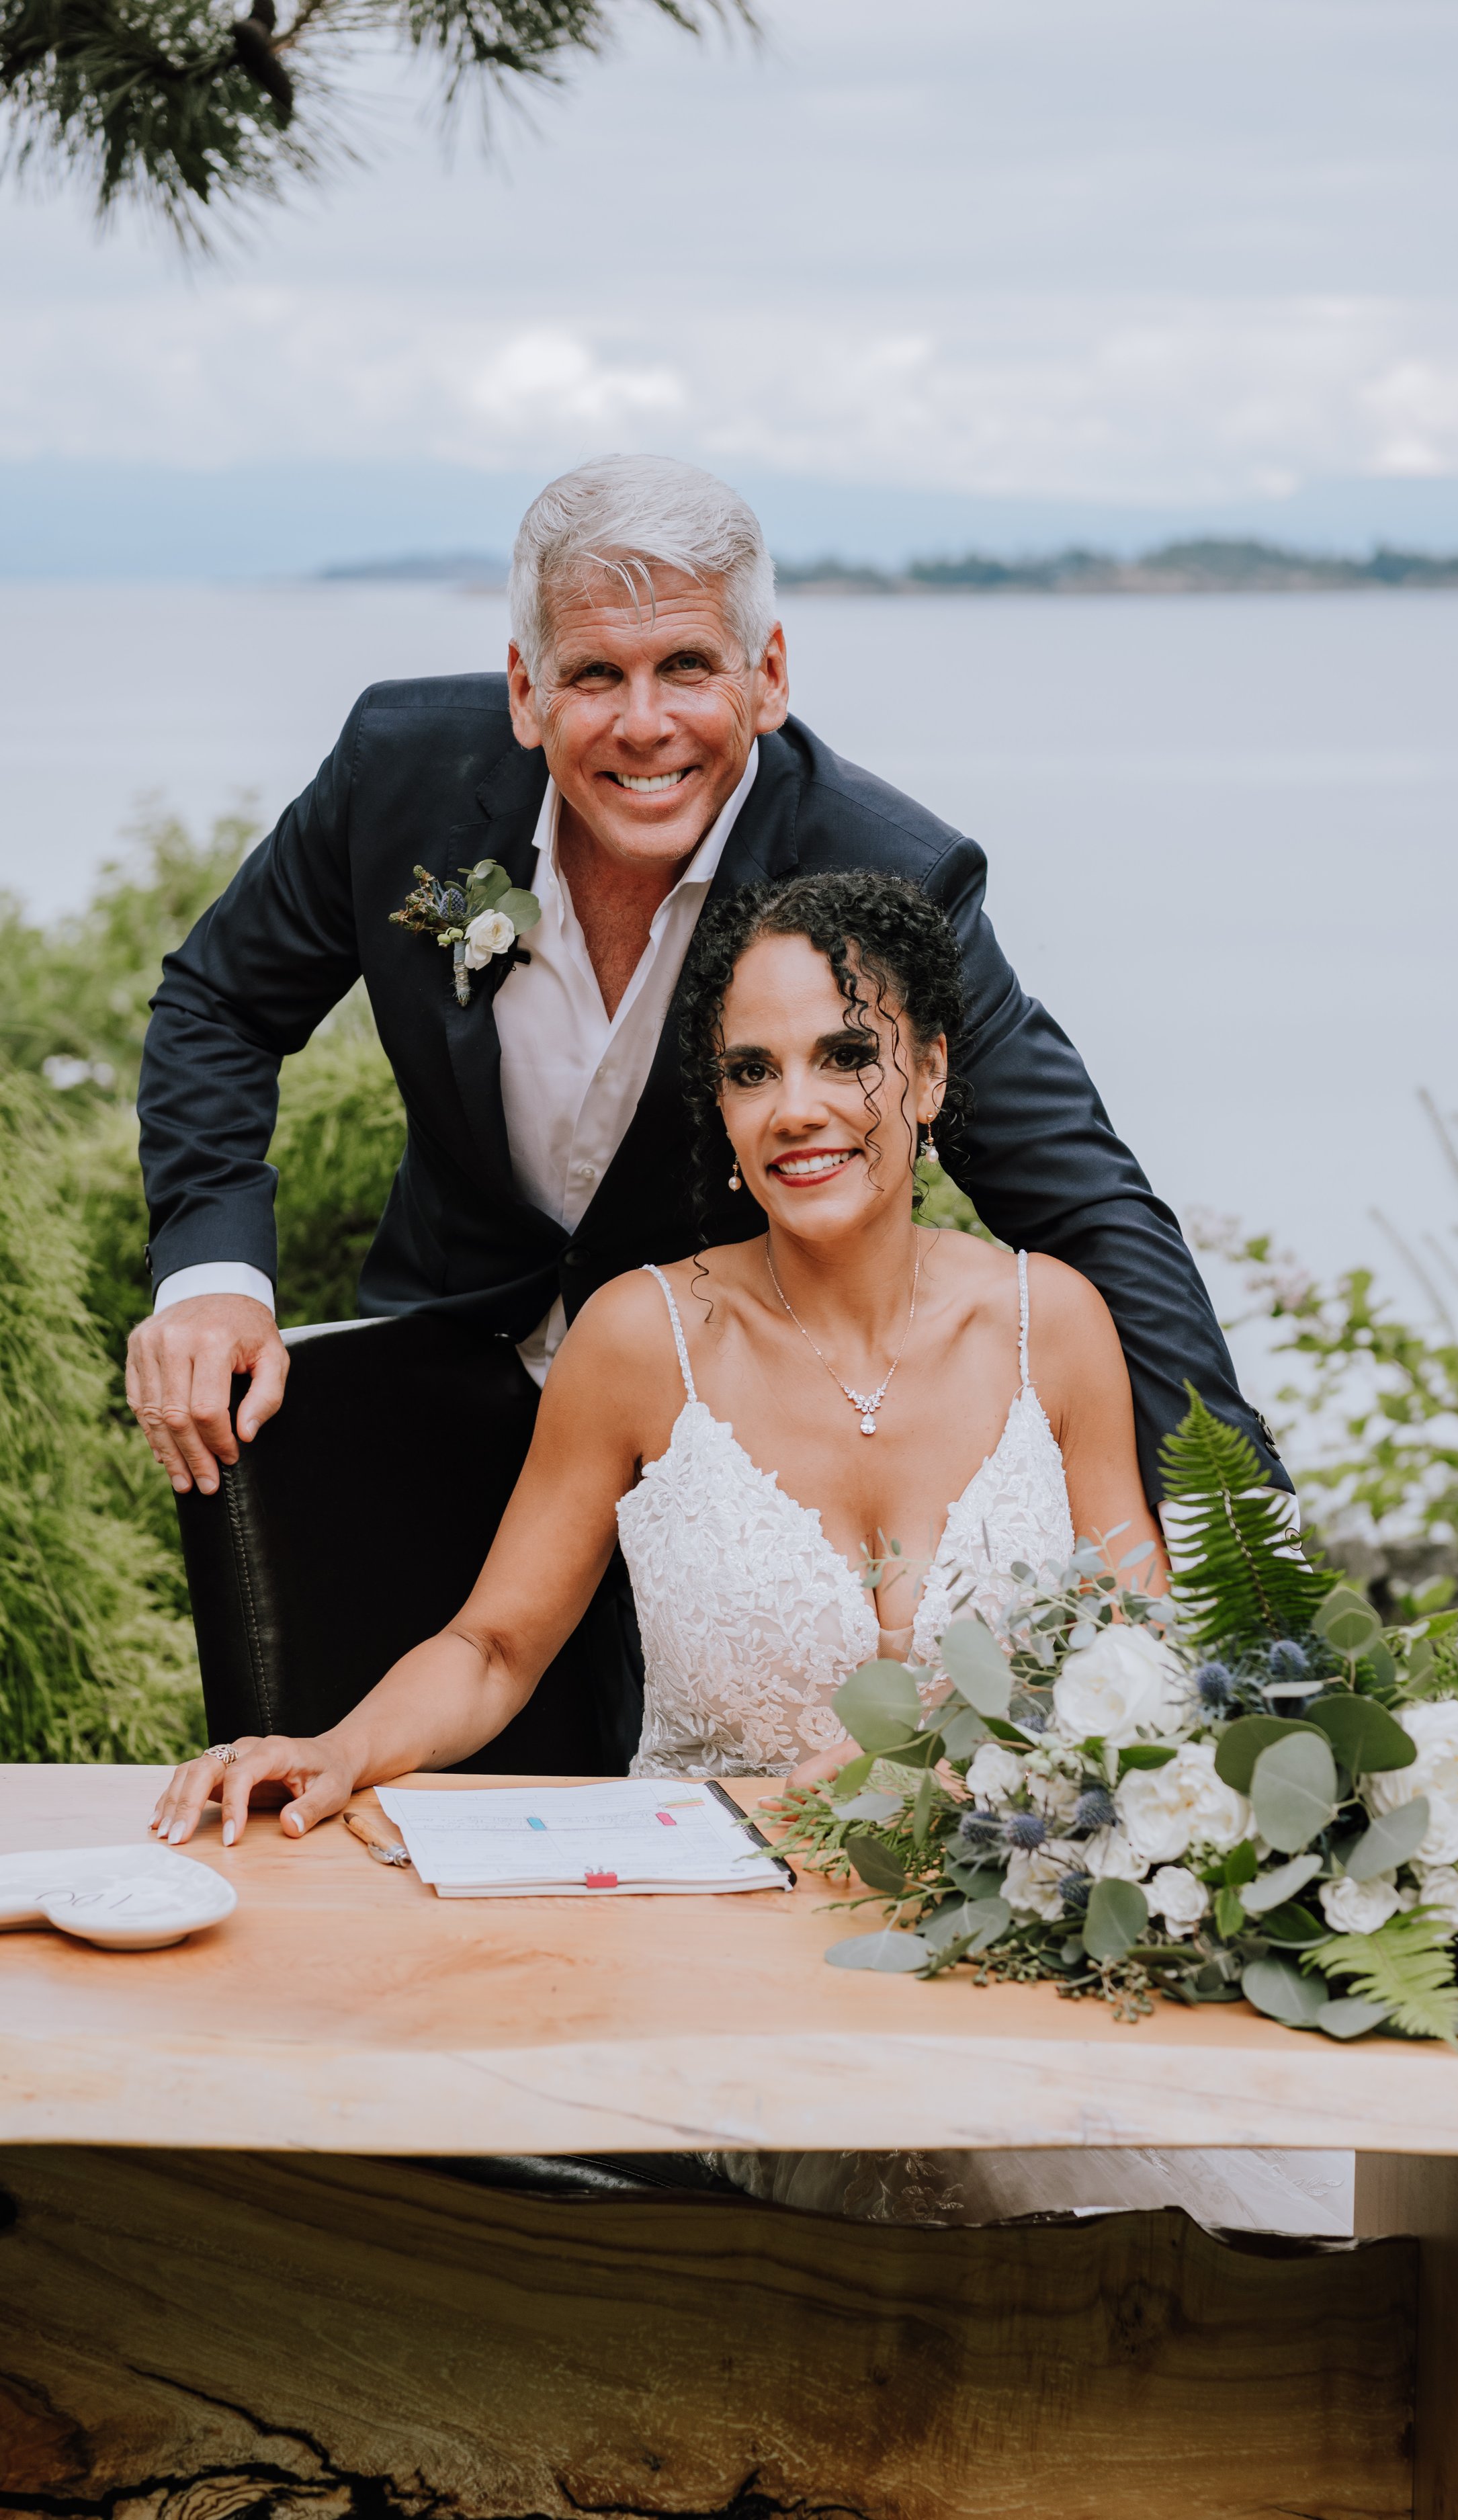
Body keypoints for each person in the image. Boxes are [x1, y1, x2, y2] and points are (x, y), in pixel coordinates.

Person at [148, 870, 1344, 2234]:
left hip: (1013, 1955)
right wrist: (333, 1748)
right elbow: (493, 1647)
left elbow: (1144, 1650)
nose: (799, 1108)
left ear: (933, 1074)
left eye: (848, 1056)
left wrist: (985, 1756)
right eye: (750, 1070)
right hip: (711, 1978)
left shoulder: (1049, 1322)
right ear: (717, 1111)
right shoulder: (634, 1338)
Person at [126, 454, 1282, 1764]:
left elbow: (1080, 1199)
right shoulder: (400, 777)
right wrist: (213, 1273)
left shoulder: (884, 871)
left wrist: (1255, 1570)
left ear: (767, 676)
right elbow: (219, 1002)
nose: (642, 722)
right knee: (390, 1827)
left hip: (723, 1446)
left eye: (686, 666)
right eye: (592, 675)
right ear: (523, 688)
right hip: (436, 1381)